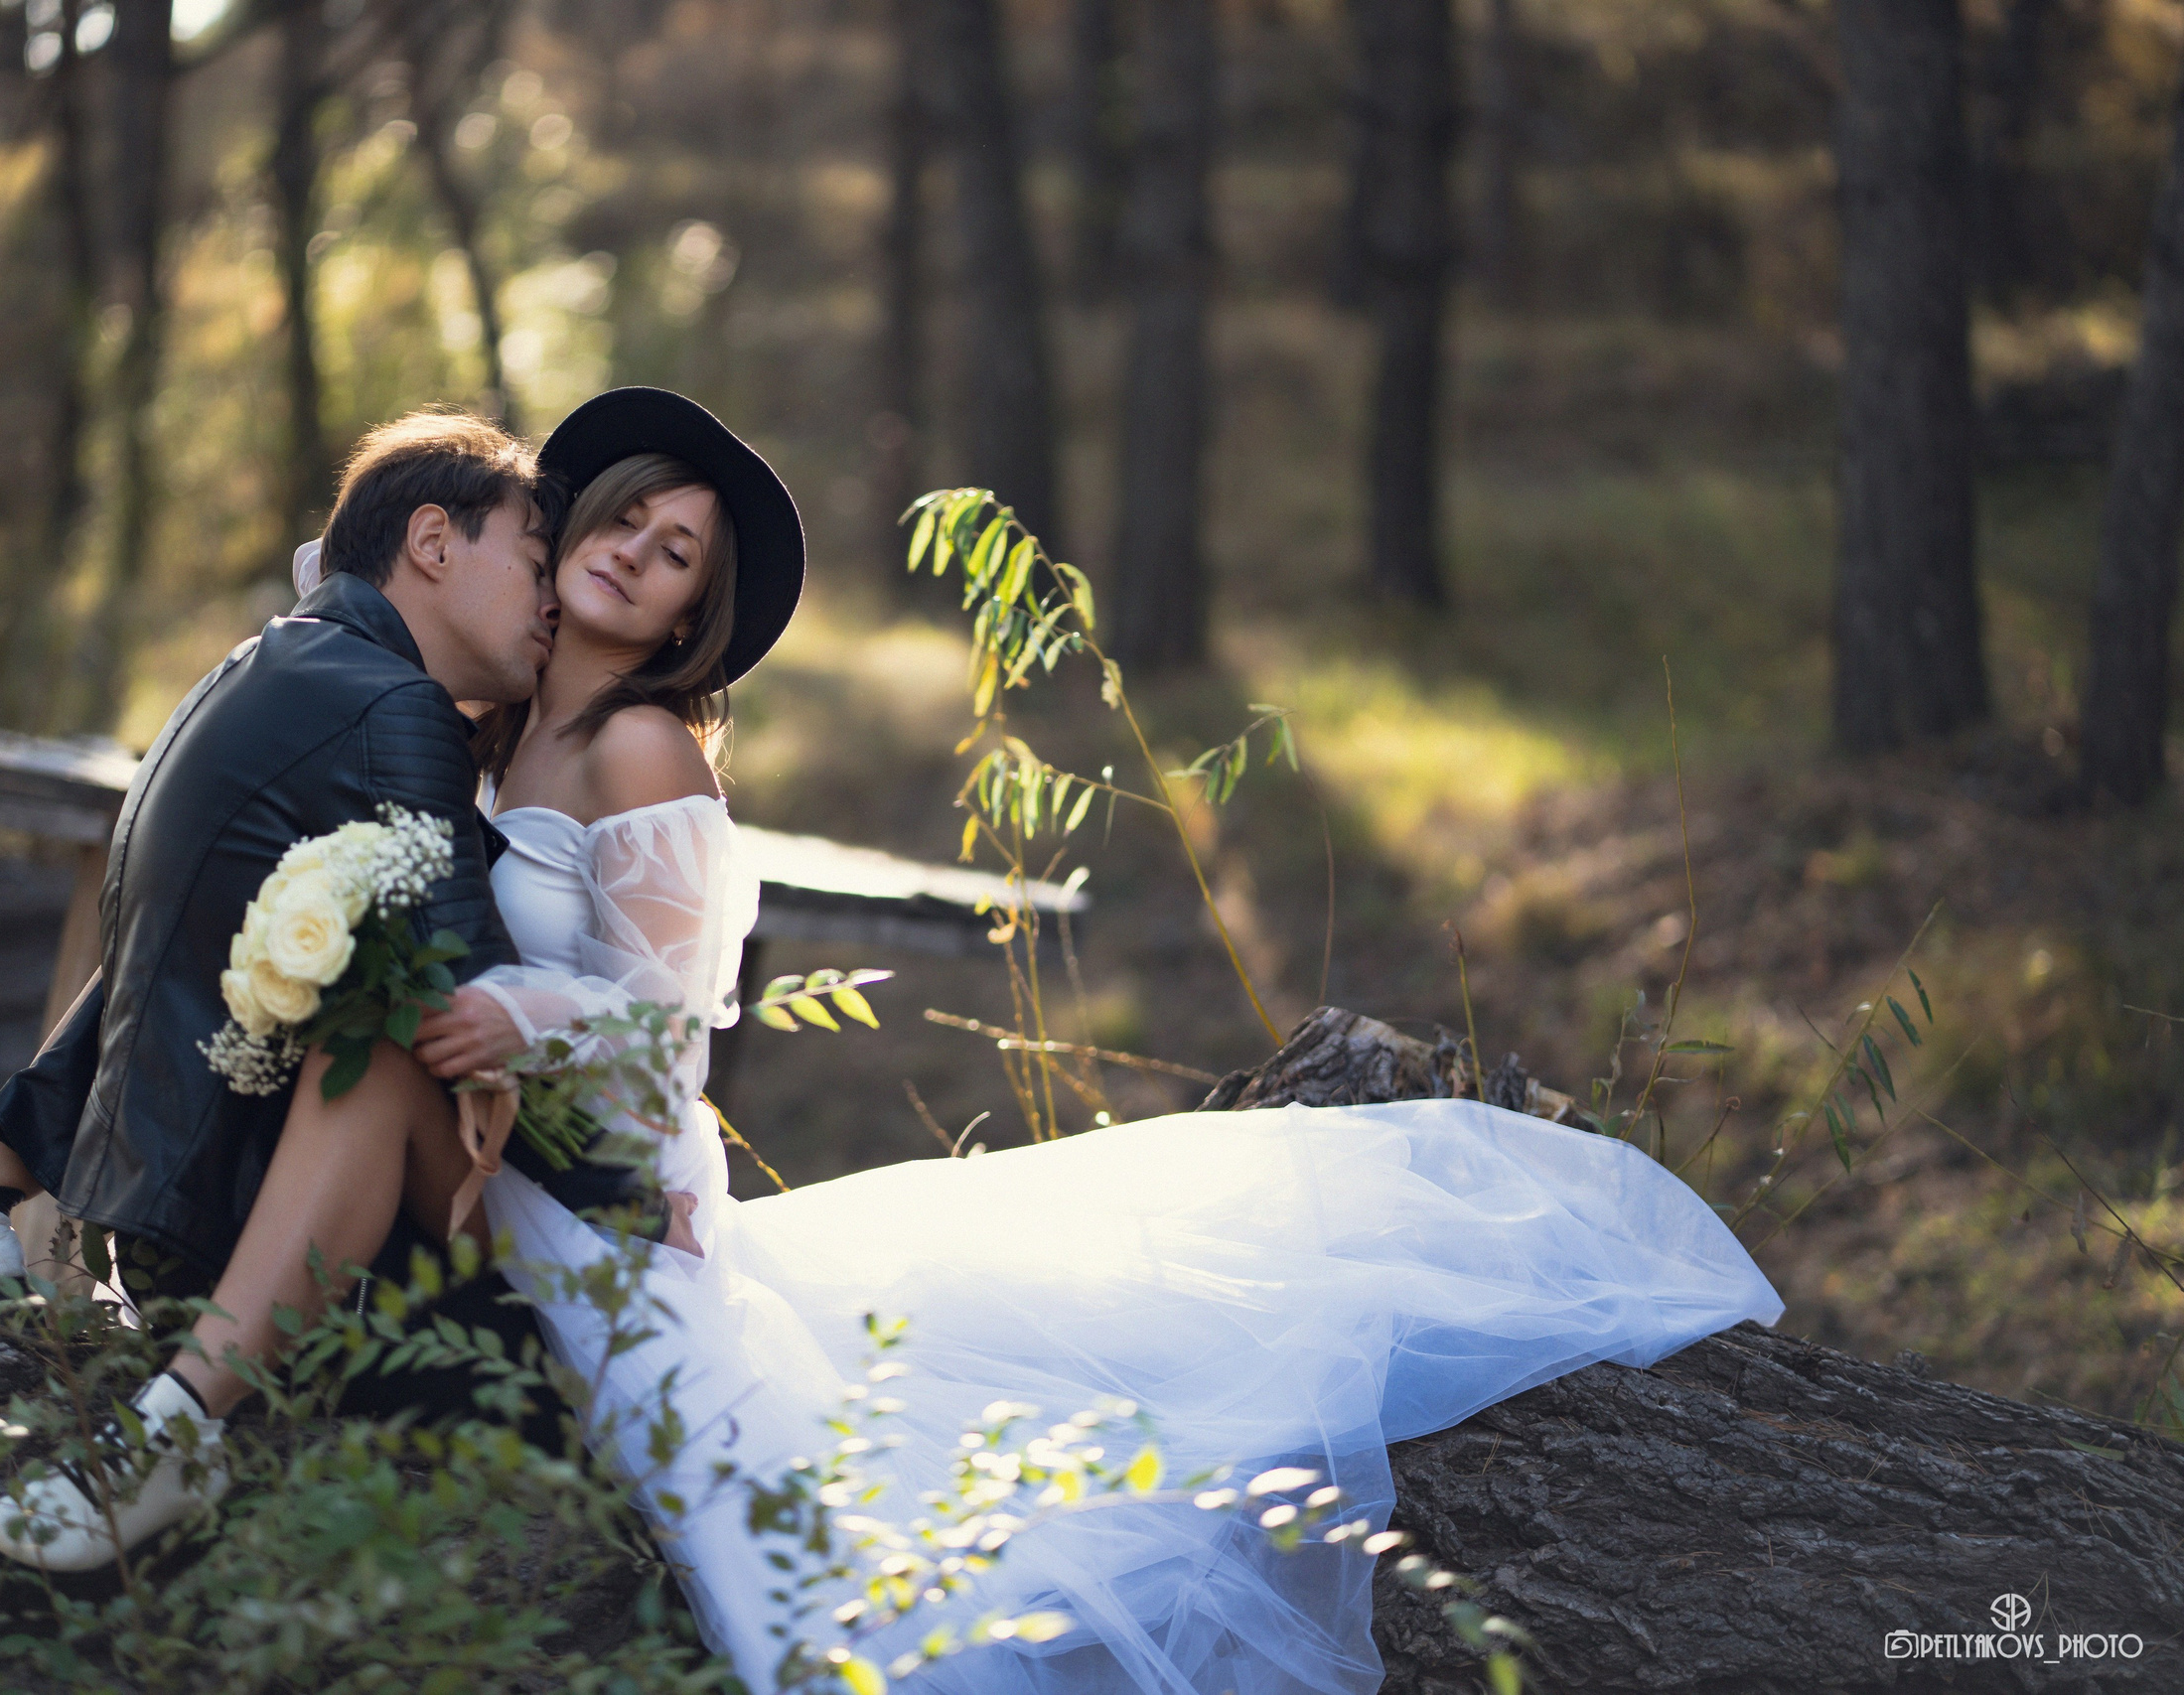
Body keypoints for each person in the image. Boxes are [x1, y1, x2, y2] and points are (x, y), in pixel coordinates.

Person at [359, 386, 1785, 1695]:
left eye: (677, 553)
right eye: (627, 519)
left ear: (688, 618)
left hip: (616, 1187)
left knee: (821, 1592)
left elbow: (672, 1026)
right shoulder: (502, 732)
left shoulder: (641, 749)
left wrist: (565, 1066)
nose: (638, 554)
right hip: (523, 1156)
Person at [0, 410, 657, 1570]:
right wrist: (618, 1205)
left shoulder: (281, 659)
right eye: (534, 563)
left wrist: (636, 1213)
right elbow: (462, 994)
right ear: (432, 543)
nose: (548, 602)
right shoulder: (390, 704)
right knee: (367, 1023)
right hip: (384, 1226)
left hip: (351, 1218)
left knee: (343, 995)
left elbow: (445, 1005)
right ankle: (72, 1325)